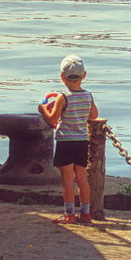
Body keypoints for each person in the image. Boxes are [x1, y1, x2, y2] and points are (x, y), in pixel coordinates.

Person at [39, 54, 99, 224]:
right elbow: (94, 116)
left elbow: (52, 120)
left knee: (67, 179)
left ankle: (69, 214)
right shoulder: (88, 96)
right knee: (81, 177)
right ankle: (86, 214)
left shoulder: (62, 97)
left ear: (62, 77)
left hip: (65, 141)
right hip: (81, 141)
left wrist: (43, 109)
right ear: (84, 76)